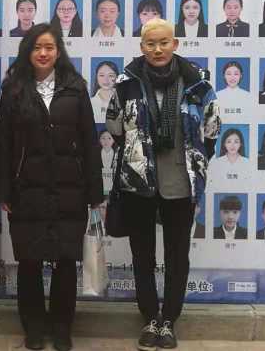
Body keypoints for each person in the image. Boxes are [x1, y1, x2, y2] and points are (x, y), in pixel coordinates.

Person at [106, 18, 220, 351]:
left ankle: (169, 319)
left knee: (177, 255)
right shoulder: (127, 82)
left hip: (181, 183)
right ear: (142, 47)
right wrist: (137, 154)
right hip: (138, 183)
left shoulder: (197, 82)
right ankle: (149, 318)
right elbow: (114, 127)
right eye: (151, 43)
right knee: (142, 255)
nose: (158, 49)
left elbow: (211, 130)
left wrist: (195, 161)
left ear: (175, 44)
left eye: (164, 42)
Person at [0, 23, 103, 351]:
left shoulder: (75, 87)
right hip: (26, 190)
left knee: (65, 262)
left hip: (69, 190)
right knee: (29, 262)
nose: (43, 53)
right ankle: (33, 327)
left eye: (49, 47)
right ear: (27, 52)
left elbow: (90, 142)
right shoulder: (14, 89)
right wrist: (4, 190)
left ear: (59, 51)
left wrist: (95, 193)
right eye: (37, 47)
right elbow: (4, 144)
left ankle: (61, 328)